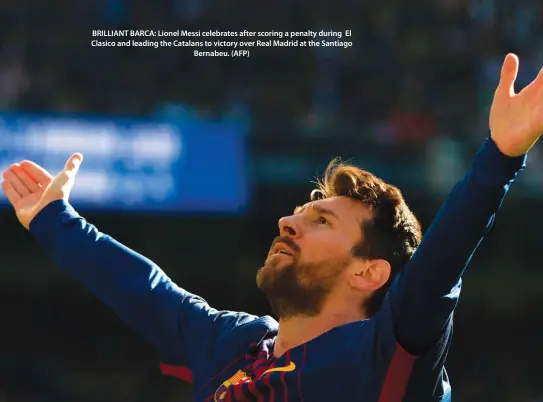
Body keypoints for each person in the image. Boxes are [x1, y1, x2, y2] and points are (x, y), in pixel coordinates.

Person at [1, 53, 542, 402]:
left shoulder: (385, 359)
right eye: (301, 211)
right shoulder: (234, 343)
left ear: (369, 272)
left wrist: (499, 157)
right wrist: (55, 221)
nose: (288, 220)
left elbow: (438, 266)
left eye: (321, 219)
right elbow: (144, 290)